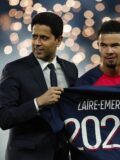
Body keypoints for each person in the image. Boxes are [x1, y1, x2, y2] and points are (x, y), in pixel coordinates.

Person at [0, 12, 78, 160]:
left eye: (44, 38)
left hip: (61, 155)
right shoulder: (14, 70)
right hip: (26, 156)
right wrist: (38, 103)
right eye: (34, 36)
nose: (37, 42)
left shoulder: (70, 69)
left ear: (59, 40)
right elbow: (4, 118)